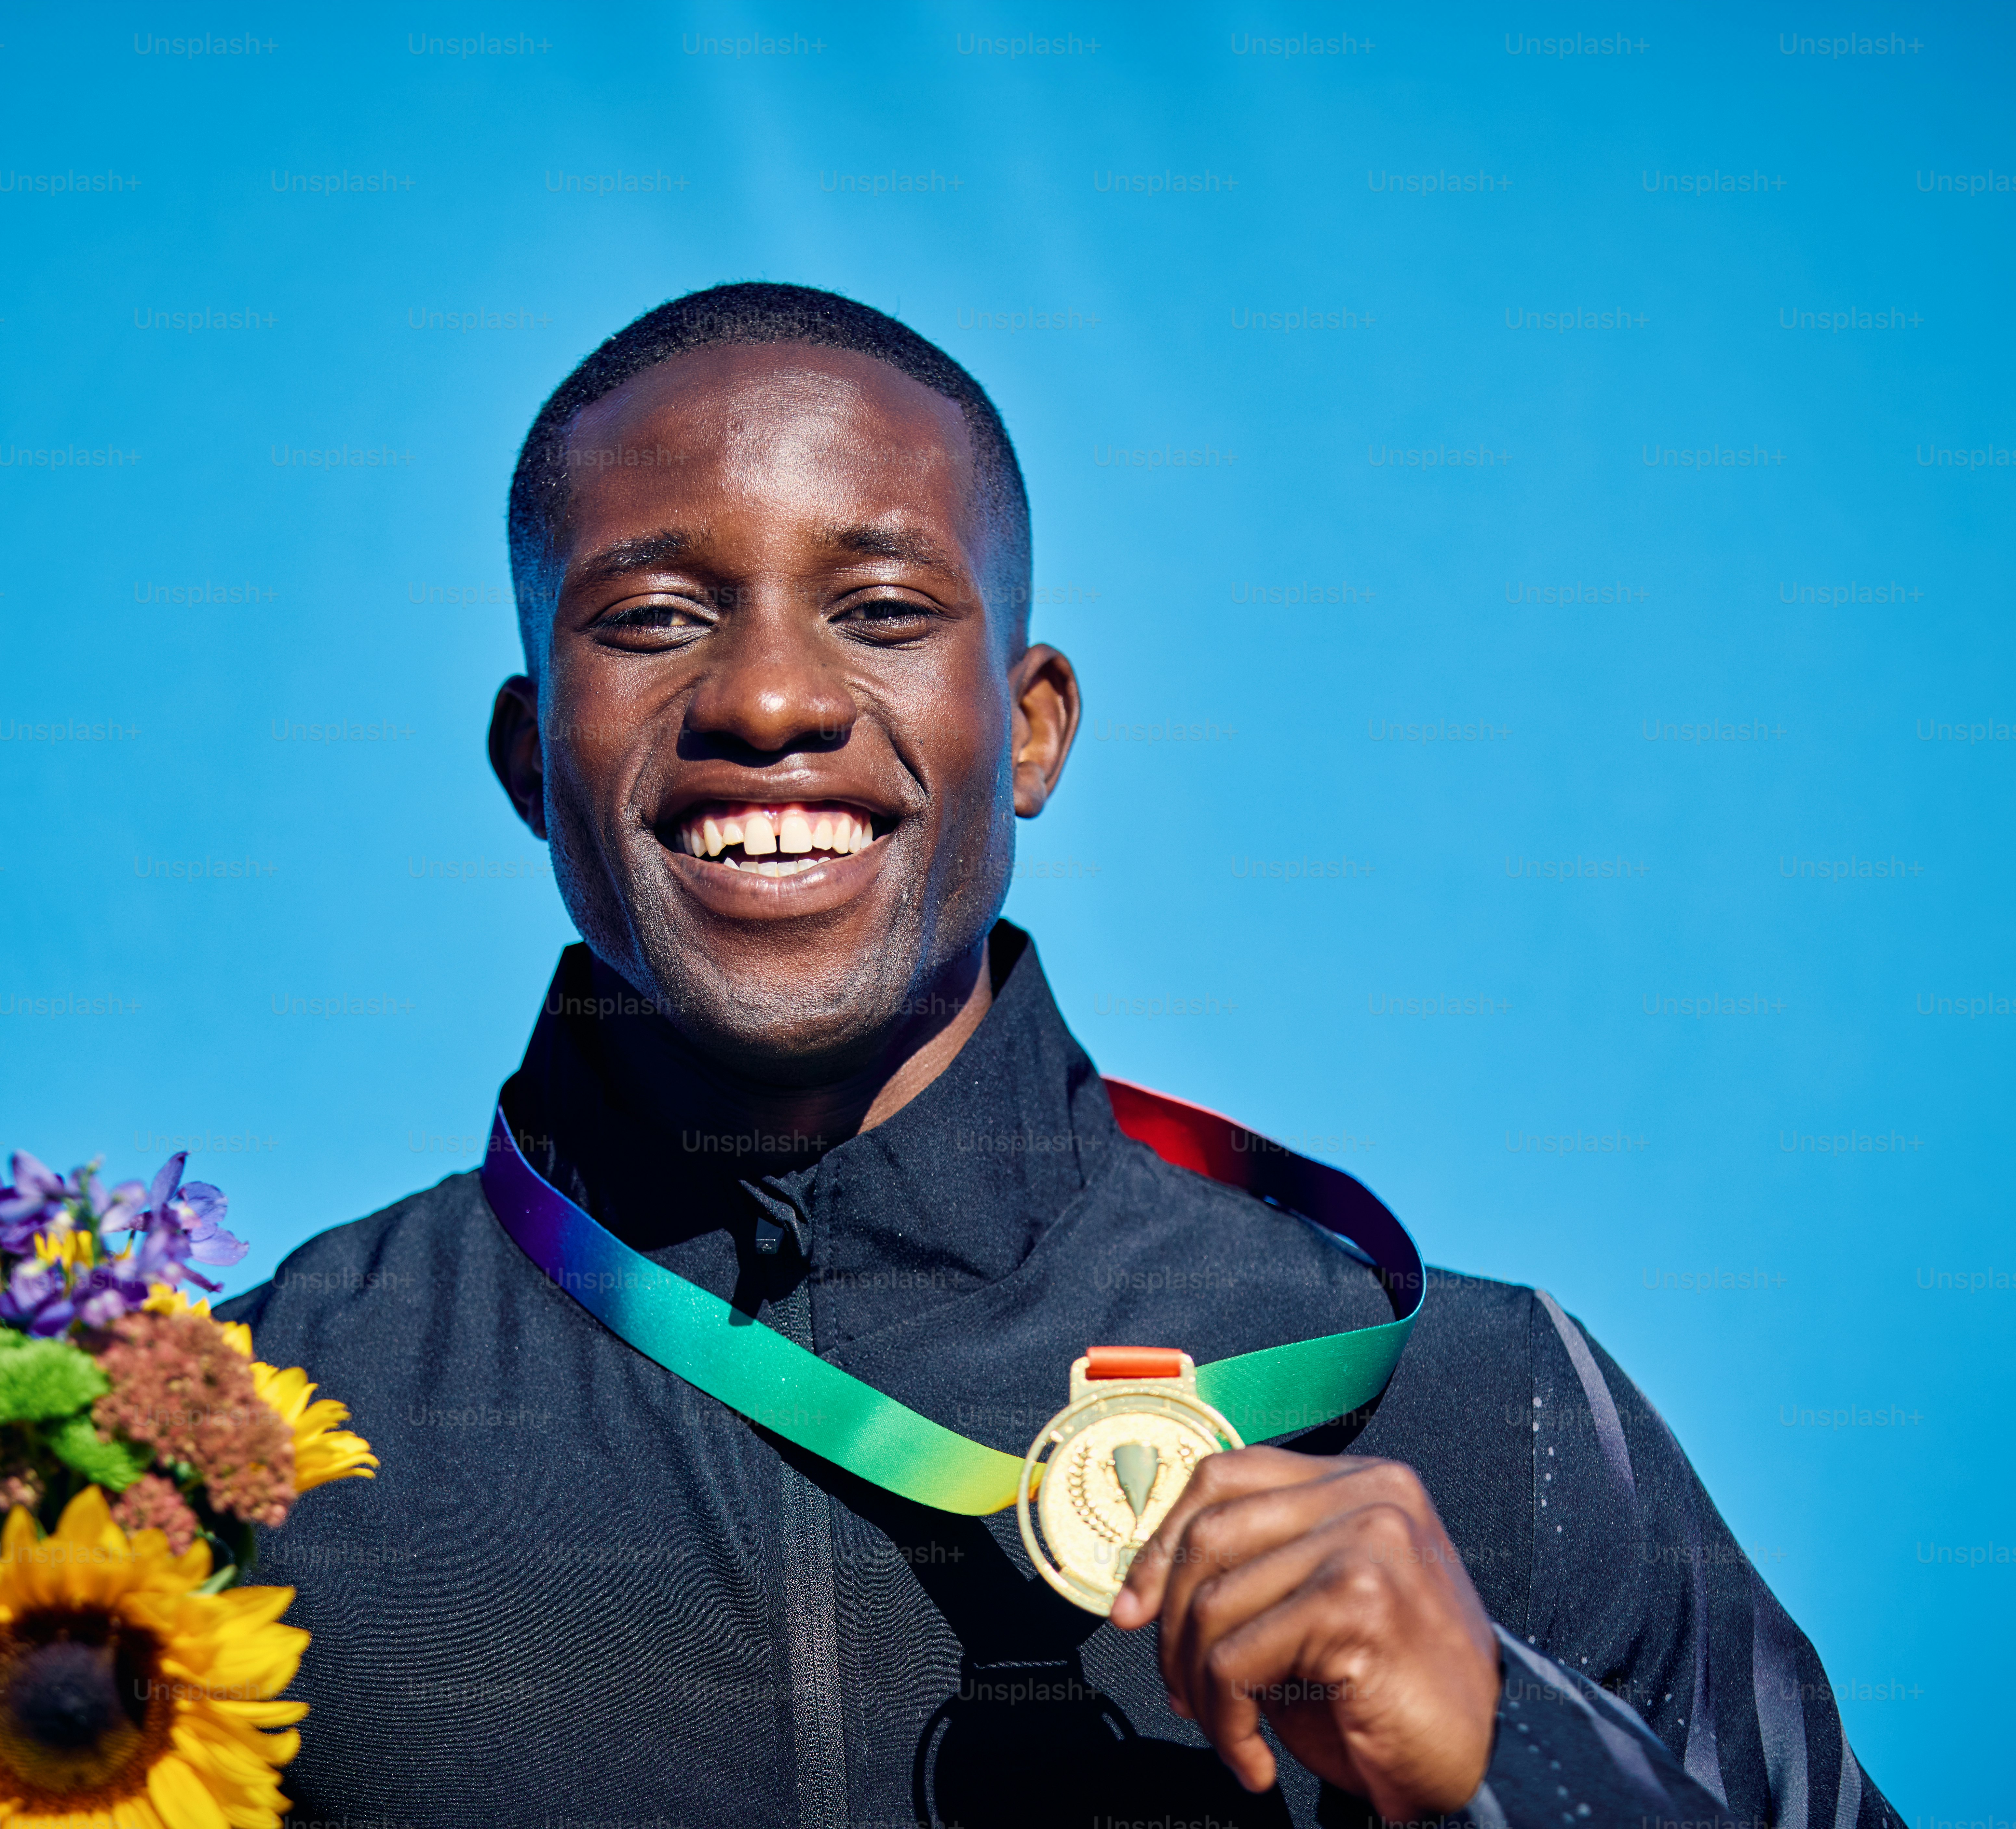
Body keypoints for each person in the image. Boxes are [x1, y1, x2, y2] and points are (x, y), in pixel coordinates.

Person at [222, 284, 1897, 1829]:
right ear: (529, 755)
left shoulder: (1475, 1407)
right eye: (655, 617)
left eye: (880, 608)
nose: (772, 698)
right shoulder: (230, 1450)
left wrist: (1515, 1753)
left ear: (1028, 729)